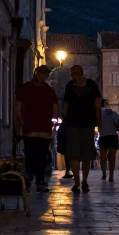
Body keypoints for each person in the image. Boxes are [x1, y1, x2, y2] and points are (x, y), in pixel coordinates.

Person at [15, 65, 58, 193]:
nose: (45, 76)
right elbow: (18, 105)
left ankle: (40, 180)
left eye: (46, 74)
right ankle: (29, 178)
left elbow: (54, 107)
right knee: (30, 154)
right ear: (37, 73)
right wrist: (20, 120)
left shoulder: (49, 90)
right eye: (43, 74)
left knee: (42, 155)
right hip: (30, 127)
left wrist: (53, 122)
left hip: (44, 129)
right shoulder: (26, 88)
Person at [60, 64, 101, 193]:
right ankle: (77, 181)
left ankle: (84, 181)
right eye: (72, 74)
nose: (74, 76)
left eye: (76, 73)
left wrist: (99, 121)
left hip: (88, 124)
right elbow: (65, 105)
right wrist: (64, 117)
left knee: (86, 156)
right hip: (73, 124)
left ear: (81, 73)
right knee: (74, 155)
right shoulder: (69, 87)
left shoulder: (91, 85)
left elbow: (98, 104)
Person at [98, 99, 119, 181]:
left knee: (102, 157)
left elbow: (97, 123)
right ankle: (111, 176)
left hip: (103, 136)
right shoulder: (114, 113)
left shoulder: (99, 113)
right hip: (112, 136)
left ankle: (104, 173)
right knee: (112, 157)